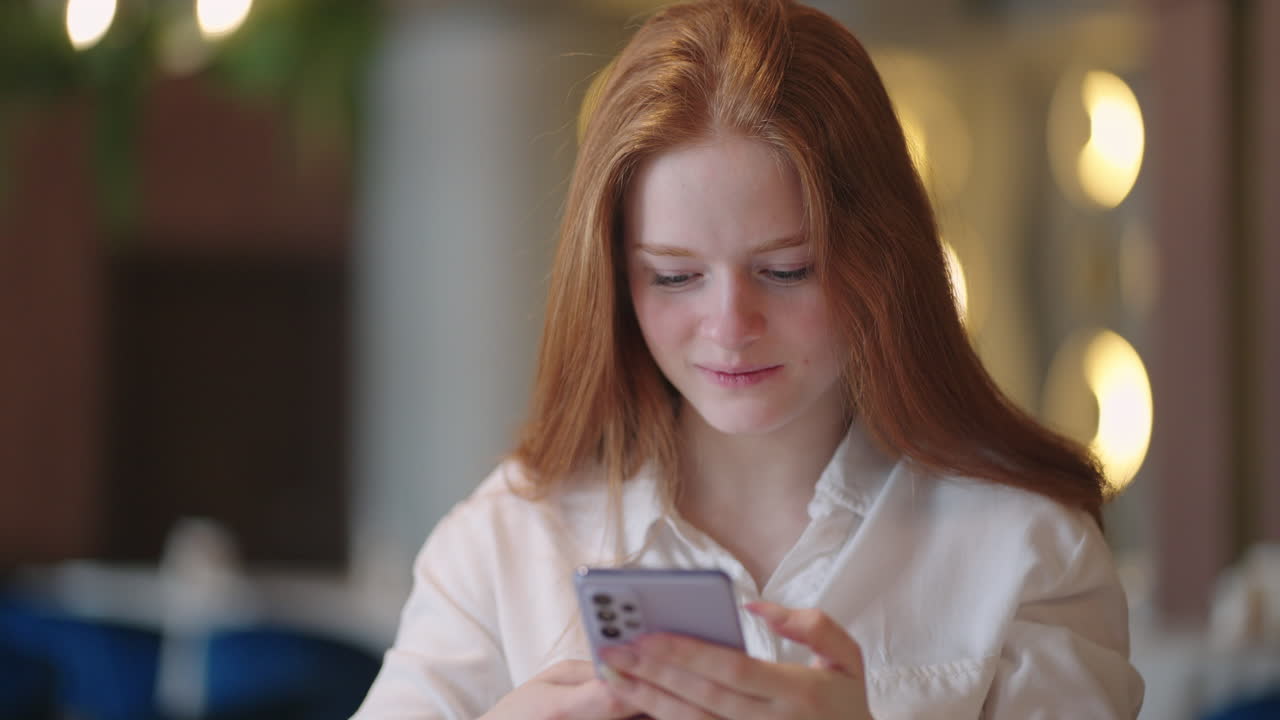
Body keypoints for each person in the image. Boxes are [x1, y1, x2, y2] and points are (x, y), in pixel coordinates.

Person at [352, 0, 1145, 717]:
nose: (730, 328)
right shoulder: (510, 540)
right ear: (613, 279)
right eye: (674, 277)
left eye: (786, 270)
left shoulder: (1024, 547)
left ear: (882, 260)